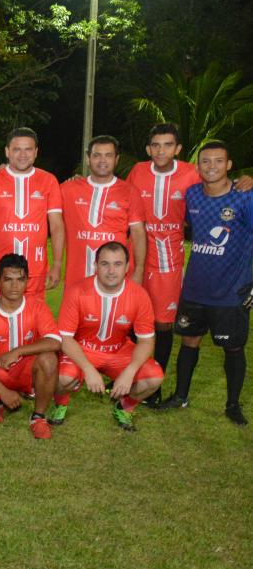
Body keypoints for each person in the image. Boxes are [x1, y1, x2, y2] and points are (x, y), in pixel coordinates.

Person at [160, 141, 253, 425]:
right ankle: (180, 396)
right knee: (189, 342)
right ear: (198, 167)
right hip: (195, 290)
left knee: (233, 348)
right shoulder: (192, 196)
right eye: (205, 162)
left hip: (231, 292)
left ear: (229, 165)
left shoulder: (245, 197)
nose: (211, 166)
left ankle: (232, 405)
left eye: (218, 161)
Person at [125, 123, 202, 402]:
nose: (161, 150)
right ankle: (133, 379)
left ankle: (154, 386)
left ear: (178, 149)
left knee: (163, 323)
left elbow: (217, 191)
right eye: (156, 145)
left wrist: (245, 182)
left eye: (167, 145)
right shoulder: (137, 171)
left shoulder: (191, 174)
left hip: (169, 258)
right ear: (148, 149)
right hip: (137, 255)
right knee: (133, 319)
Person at [52, 242, 163, 431]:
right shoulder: (77, 291)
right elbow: (65, 338)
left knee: (154, 378)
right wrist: (87, 369)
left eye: (118, 264)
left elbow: (146, 340)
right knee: (63, 378)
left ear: (127, 267)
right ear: (95, 266)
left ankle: (125, 407)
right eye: (105, 264)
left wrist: (130, 371)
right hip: (83, 349)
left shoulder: (138, 295)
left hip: (119, 350)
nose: (111, 271)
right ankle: (60, 404)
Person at [0, 253, 61, 439]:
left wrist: (17, 352)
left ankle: (38, 418)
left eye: (20, 279)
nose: (15, 285)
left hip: (25, 369)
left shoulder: (37, 306)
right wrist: (4, 392)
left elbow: (55, 342)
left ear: (27, 282)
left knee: (49, 359)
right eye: (8, 280)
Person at [0, 127, 65, 300]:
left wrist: (57, 264)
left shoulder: (49, 181)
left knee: (31, 324)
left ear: (36, 152)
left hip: (36, 271)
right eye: (17, 149)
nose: (23, 154)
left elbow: (57, 225)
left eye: (28, 149)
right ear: (7, 151)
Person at [59, 135, 147, 290]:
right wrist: (6, 171)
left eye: (108, 155)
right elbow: (38, 197)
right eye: (96, 155)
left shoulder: (129, 192)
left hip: (114, 277)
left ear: (116, 159)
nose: (102, 161)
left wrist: (139, 270)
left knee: (111, 313)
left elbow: (138, 233)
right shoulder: (69, 189)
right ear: (88, 159)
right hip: (76, 277)